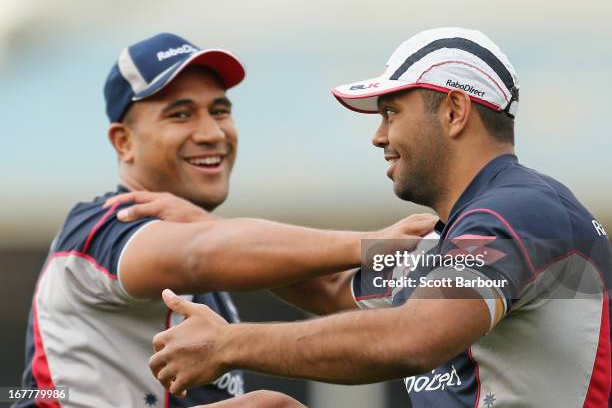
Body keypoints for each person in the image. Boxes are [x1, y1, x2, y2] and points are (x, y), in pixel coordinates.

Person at [146, 28, 612, 407]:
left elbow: (414, 337)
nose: (378, 135)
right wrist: (203, 229)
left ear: (454, 111)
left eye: (391, 112)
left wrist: (228, 345)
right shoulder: (455, 234)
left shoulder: (520, 212)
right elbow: (327, 286)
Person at [13, 32, 437, 408]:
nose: (212, 133)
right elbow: (199, 254)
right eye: (180, 114)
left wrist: (451, 265)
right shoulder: (106, 222)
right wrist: (371, 242)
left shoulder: (199, 233)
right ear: (124, 142)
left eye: (219, 111)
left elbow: (333, 290)